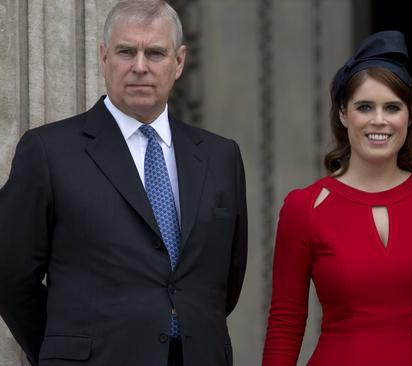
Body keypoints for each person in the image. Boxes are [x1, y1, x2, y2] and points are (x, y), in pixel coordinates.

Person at [0, 1, 247, 365]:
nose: (140, 67)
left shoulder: (220, 155)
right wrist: (64, 349)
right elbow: (9, 274)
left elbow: (226, 279)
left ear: (179, 62)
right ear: (104, 57)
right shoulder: (49, 151)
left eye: (155, 53)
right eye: (126, 51)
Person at [262, 30, 412, 366]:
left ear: (409, 115)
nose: (379, 120)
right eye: (364, 107)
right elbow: (286, 321)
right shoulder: (305, 207)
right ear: (344, 114)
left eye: (392, 107)